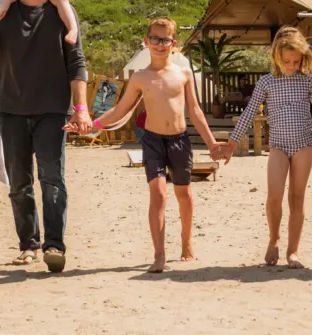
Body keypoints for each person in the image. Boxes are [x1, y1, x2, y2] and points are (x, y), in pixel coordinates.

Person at [72, 17, 222, 273]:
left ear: (174, 44)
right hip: (152, 141)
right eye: (155, 39)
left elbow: (195, 110)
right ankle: (159, 253)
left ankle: (186, 243)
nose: (160, 44)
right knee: (159, 194)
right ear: (146, 41)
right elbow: (120, 110)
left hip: (180, 140)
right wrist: (91, 125)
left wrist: (211, 143)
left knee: (184, 194)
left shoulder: (183, 74)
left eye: (165, 40)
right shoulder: (140, 77)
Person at [0, 0, 91, 273]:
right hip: (11, 110)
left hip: (52, 111)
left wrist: (81, 109)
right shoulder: (3, 10)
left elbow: (77, 63)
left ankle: (54, 244)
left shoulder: (61, 12)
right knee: (19, 184)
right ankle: (29, 245)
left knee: (52, 180)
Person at [216, 26, 312, 269]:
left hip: (303, 145)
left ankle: (293, 251)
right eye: (287, 61)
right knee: (274, 196)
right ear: (276, 56)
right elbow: (250, 111)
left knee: (297, 198)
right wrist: (232, 143)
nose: (292, 65)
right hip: (277, 146)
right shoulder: (266, 81)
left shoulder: (307, 79)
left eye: (296, 61)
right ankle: (273, 239)